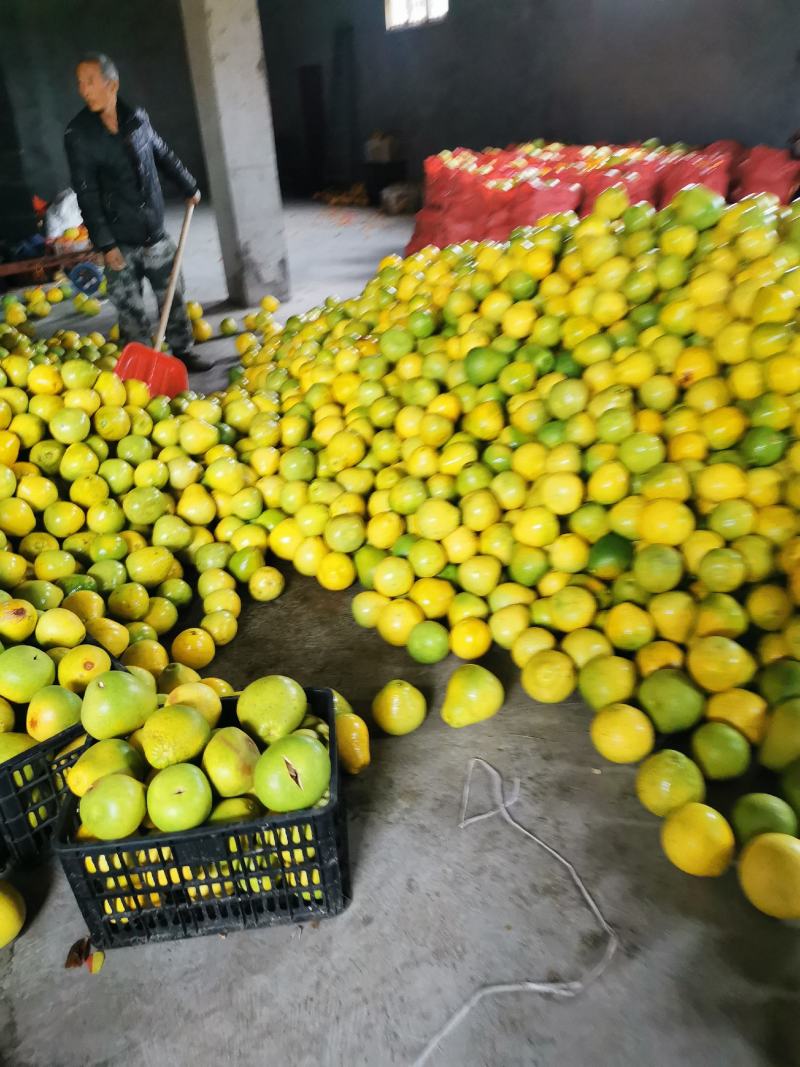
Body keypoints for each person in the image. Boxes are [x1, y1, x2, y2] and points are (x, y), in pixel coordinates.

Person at [64, 52, 210, 371]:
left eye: (90, 82)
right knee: (129, 309)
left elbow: (162, 153)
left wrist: (189, 186)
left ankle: (183, 350)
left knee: (173, 295)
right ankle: (144, 365)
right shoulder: (79, 134)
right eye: (80, 84)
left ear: (112, 84)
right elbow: (86, 194)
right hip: (119, 240)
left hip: (153, 231)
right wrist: (105, 244)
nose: (83, 89)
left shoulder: (137, 119)